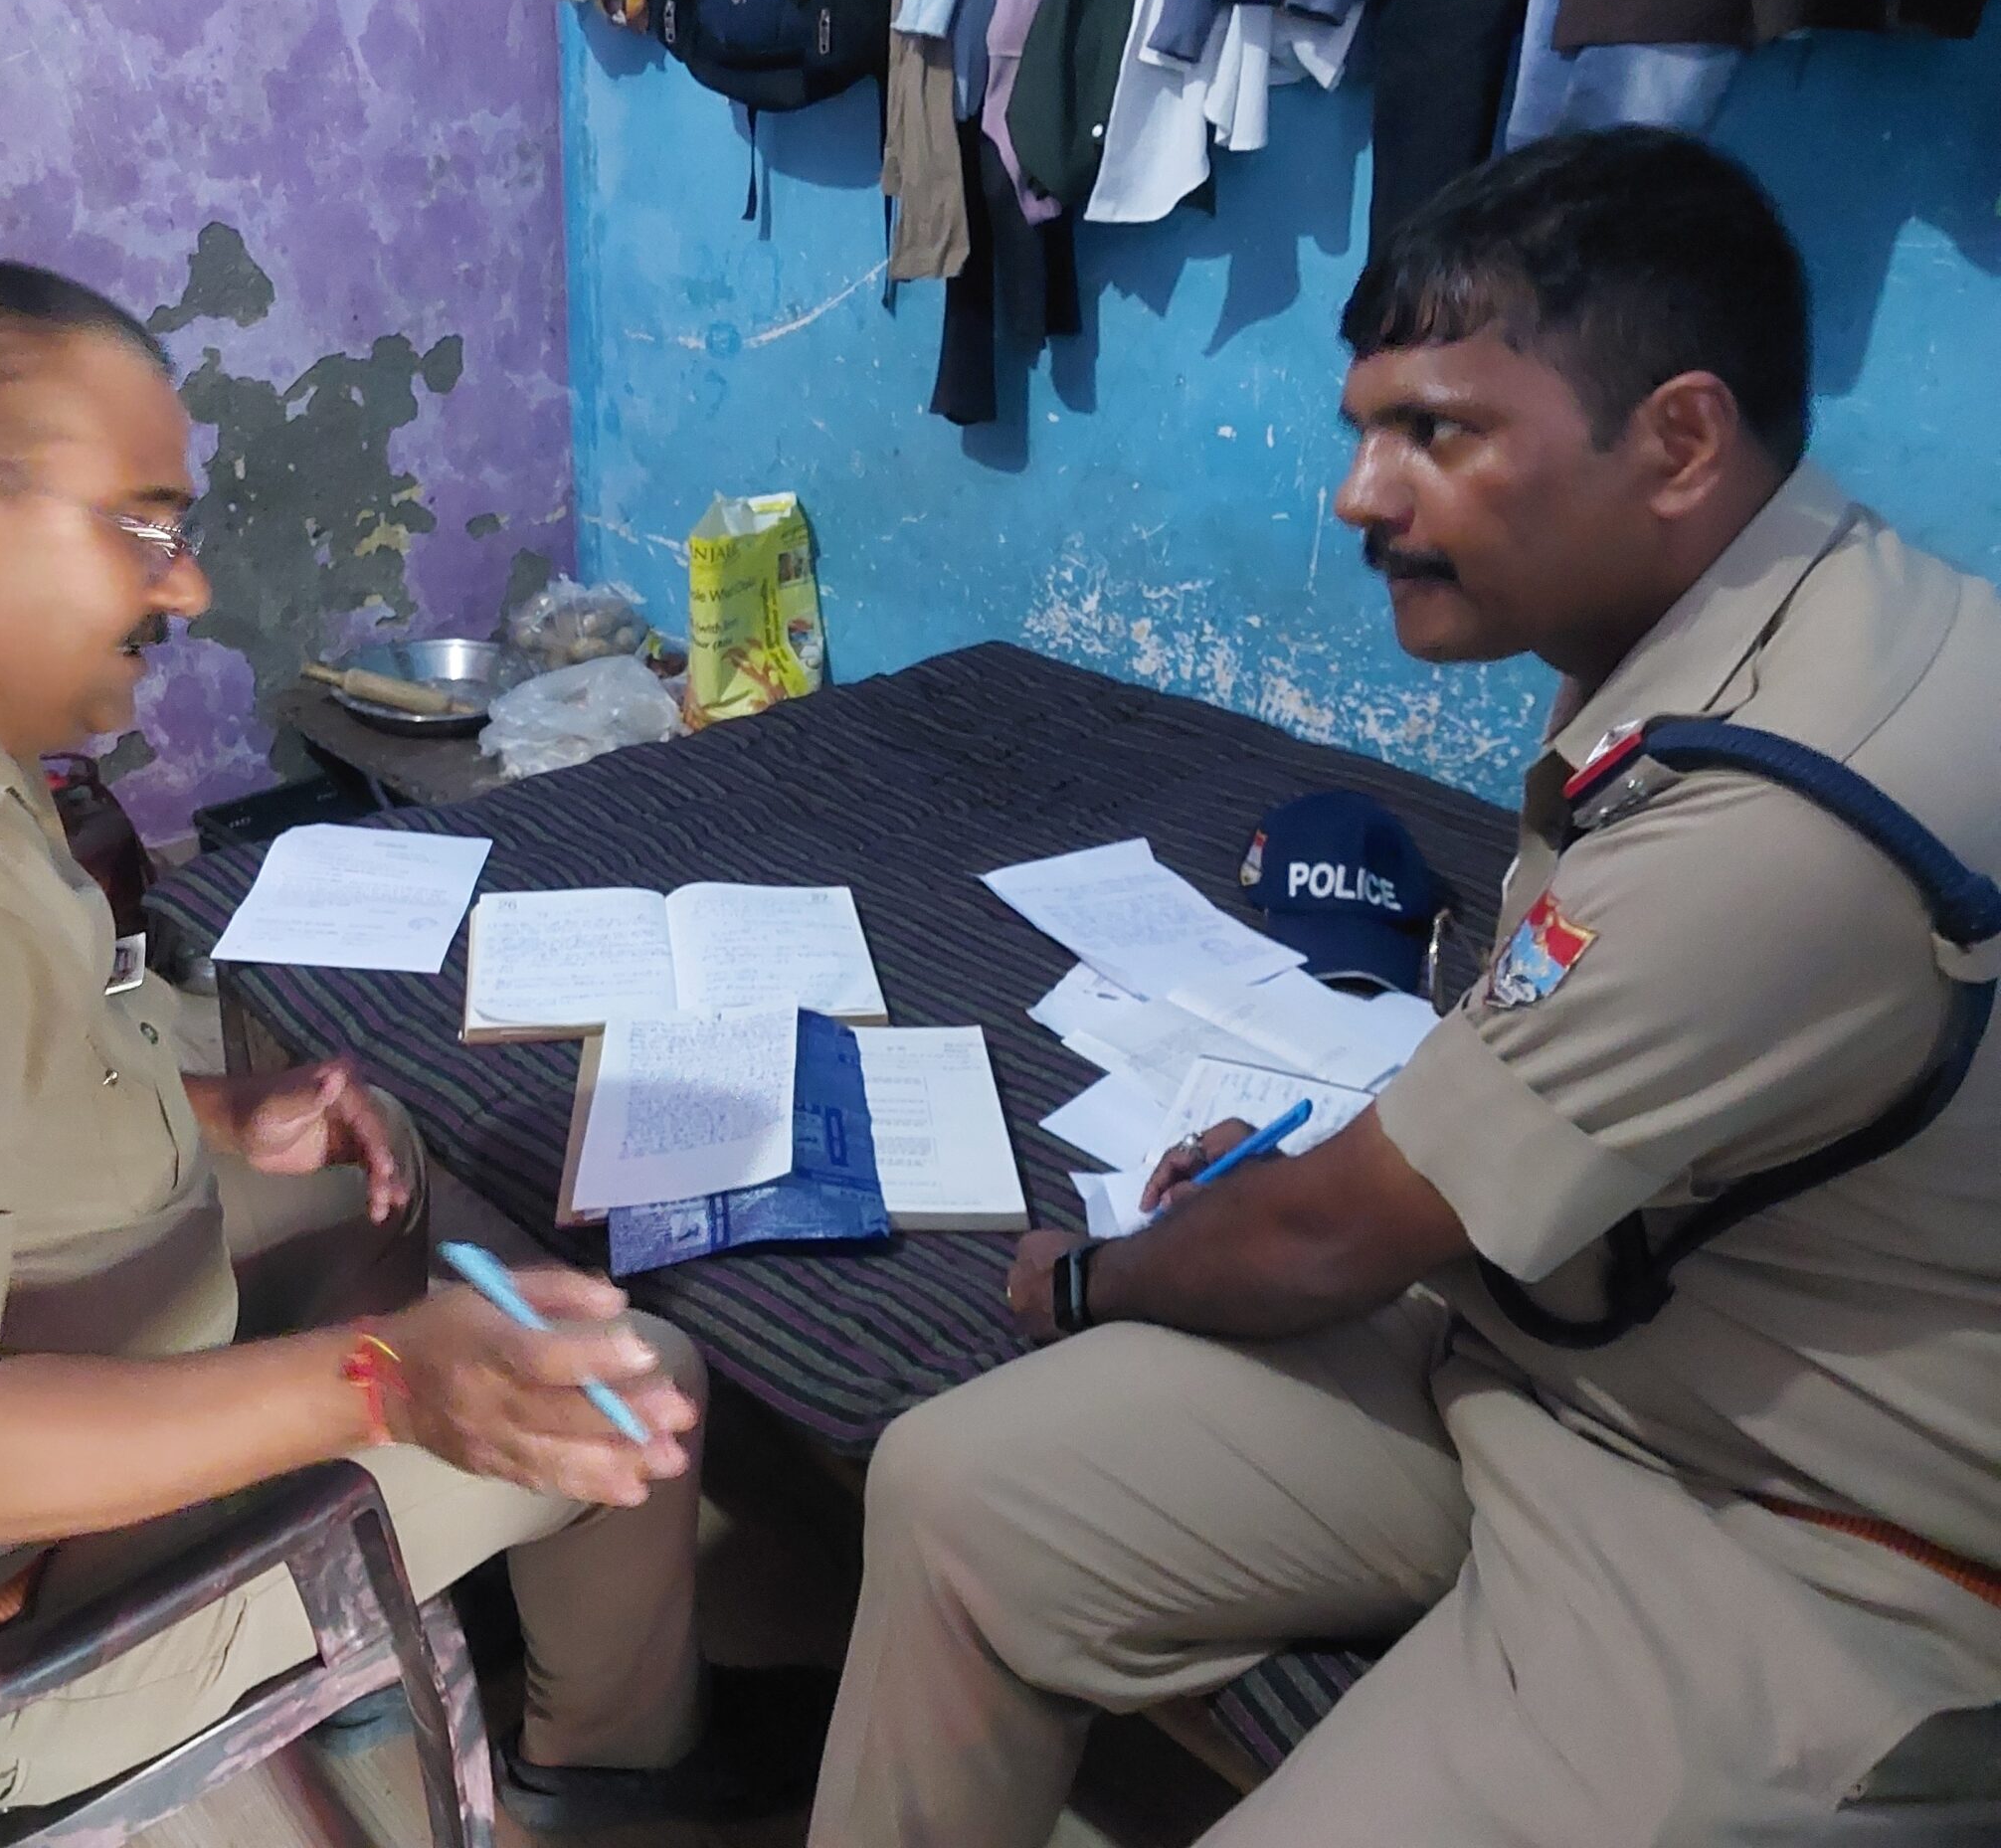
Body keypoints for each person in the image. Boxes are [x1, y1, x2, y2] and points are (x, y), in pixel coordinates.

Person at [810, 128, 2001, 1846]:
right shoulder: (1750, 616)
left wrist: (1089, 1280)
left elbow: (1325, 1239)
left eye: (1437, 433)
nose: (1362, 497)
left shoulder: (1784, 825)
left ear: (1680, 441)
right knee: (957, 1490)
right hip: (1549, 1343)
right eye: (1365, 428)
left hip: (1799, 1528)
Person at [0, 259, 814, 1830]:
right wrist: (380, 1381)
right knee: (626, 1384)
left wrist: (210, 1106)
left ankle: (445, 1542)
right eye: (140, 525)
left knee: (383, 1187)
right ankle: (612, 1770)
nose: (187, 586)